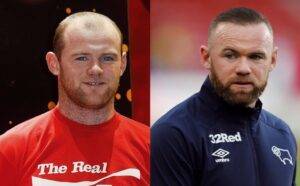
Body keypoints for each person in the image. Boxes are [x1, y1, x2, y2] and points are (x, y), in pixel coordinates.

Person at [151, 7, 297, 186]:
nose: (243, 68)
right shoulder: (174, 135)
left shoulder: (282, 135)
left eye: (256, 56)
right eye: (230, 55)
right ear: (206, 57)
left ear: (273, 60)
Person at [0, 12, 149, 186]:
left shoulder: (155, 148)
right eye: (82, 58)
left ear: (122, 64)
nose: (96, 69)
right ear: (54, 63)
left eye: (107, 58)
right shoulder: (11, 150)